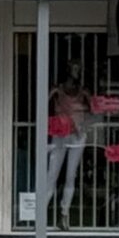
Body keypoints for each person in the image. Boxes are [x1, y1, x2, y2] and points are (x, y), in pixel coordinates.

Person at [45, 71, 92, 225]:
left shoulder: (83, 91)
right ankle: (40, 212)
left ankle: (64, 213)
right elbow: (43, 105)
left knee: (70, 176)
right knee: (52, 175)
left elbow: (94, 110)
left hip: (77, 135)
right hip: (60, 134)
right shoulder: (57, 90)